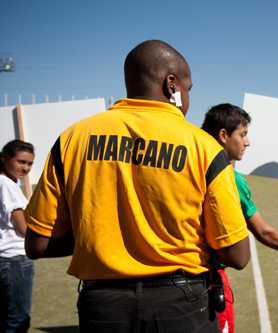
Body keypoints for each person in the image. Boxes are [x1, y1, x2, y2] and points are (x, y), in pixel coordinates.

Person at [23, 40, 250, 333]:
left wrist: (103, 240)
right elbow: (238, 256)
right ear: (171, 85)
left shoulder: (71, 139)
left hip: (102, 305)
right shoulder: (203, 146)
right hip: (182, 302)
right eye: (188, 89)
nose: (188, 97)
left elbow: (37, 244)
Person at [201, 103, 278, 333]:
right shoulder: (231, 178)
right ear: (223, 135)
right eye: (243, 135)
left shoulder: (190, 166)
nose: (248, 142)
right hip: (210, 282)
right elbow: (262, 231)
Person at [0, 139, 35, 333]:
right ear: (5, 159)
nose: (26, 168)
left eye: (29, 163)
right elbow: (23, 230)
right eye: (21, 162)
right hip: (14, 261)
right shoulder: (7, 185)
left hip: (4, 260)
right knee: (17, 322)